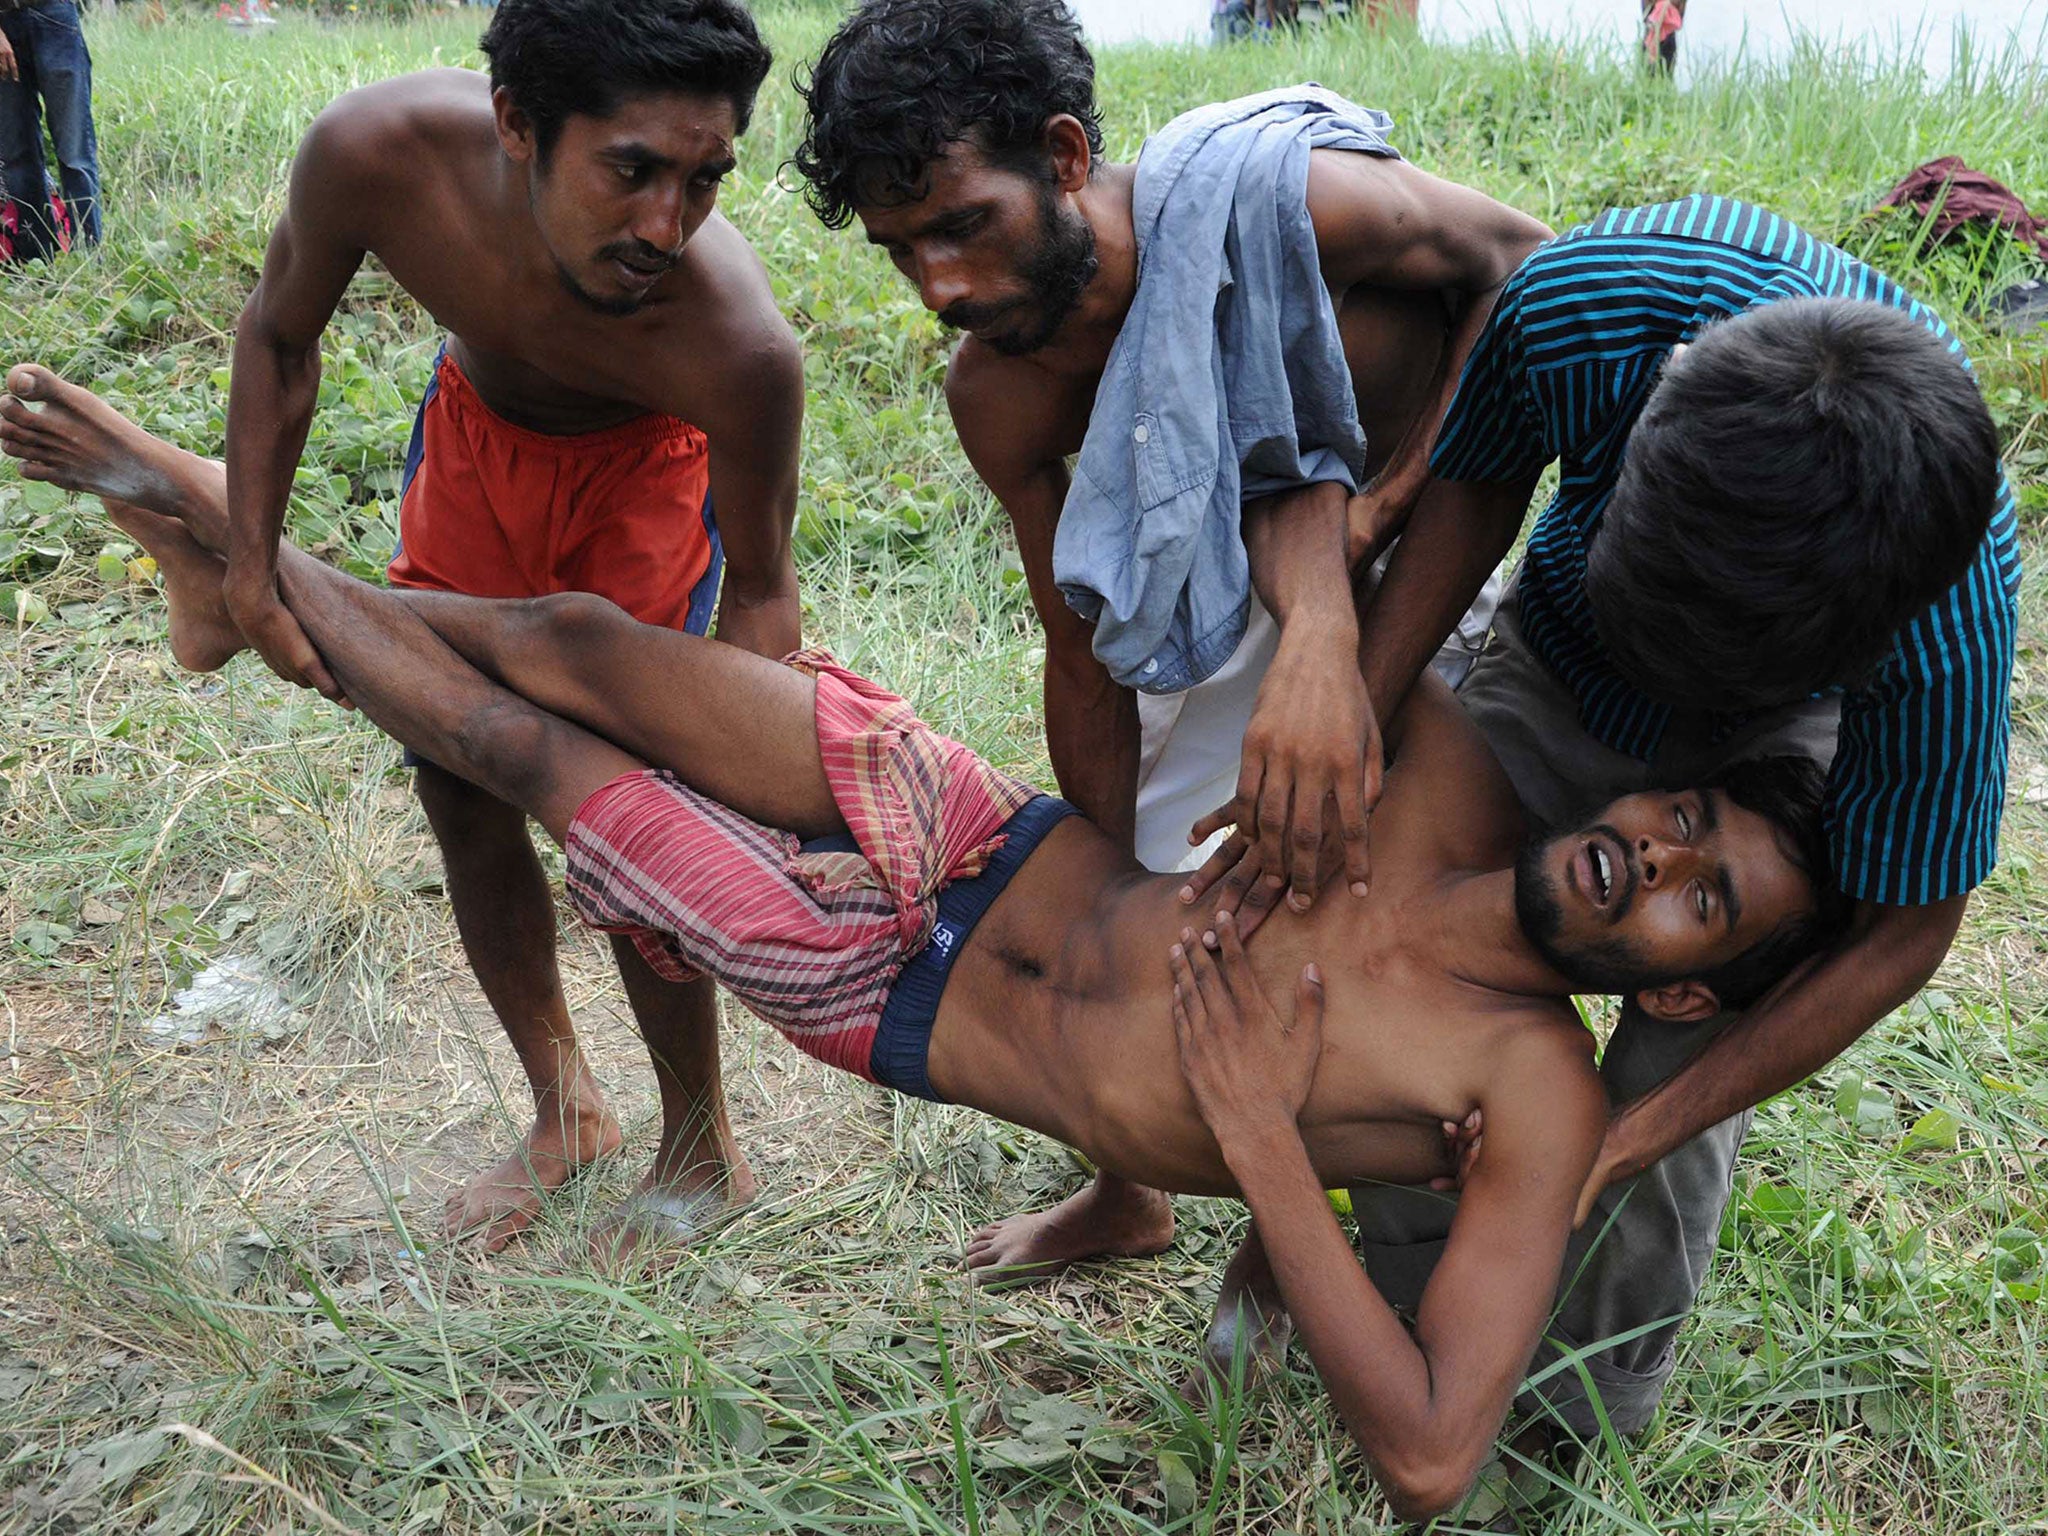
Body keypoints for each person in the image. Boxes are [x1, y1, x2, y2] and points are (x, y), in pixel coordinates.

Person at [0, 369, 1841, 1522]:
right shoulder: (1432, 774)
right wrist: (1304, 637)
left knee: (522, 748)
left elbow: (1435, 1459)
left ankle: (203, 525)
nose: (1653, 856)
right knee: (571, 633)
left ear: (1678, 990)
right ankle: (235, 557)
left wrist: (1261, 1152)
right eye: (1683, 818)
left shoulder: (1520, 1089)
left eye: (1701, 896)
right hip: (970, 832)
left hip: (889, 985)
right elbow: (1314, 496)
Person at [1187, 200, 2017, 1442]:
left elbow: (1903, 932)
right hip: (1569, 641)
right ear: (1649, 418)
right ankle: (1398, 1313)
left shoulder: (1946, 600)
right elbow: (1471, 498)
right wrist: (1351, 730)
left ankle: (1585, 1412)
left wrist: (1628, 1135)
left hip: (1777, 740)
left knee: (1697, 1035)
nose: (1648, 841)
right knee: (1405, 943)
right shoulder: (1588, 307)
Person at [794, 0, 1552, 1275]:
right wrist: (1110, 874)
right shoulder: (1000, 389)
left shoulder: (1296, 206)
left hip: (1423, 579)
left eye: (963, 225)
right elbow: (1080, 647)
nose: (941, 288)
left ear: (1066, 154)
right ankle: (1128, 1190)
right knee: (1178, 905)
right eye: (900, 251)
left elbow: (1529, 272)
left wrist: (1389, 502)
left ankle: (1289, 1234)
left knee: (1340, 904)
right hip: (1200, 623)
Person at [208, 0, 805, 1257]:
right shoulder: (374, 157)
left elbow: (758, 591)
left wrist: (749, 782)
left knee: (636, 828)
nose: (664, 227)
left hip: (643, 483)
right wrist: (251, 573)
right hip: (476, 451)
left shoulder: (735, 345)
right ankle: (562, 1110)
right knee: (458, 776)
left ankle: (700, 1142)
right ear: (518, 125)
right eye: (631, 171)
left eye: (702, 181)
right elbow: (278, 333)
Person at [0, 0, 101, 262]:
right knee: (18, 159)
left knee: (75, 152)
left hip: (55, 15)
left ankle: (89, 263)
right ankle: (38, 267)